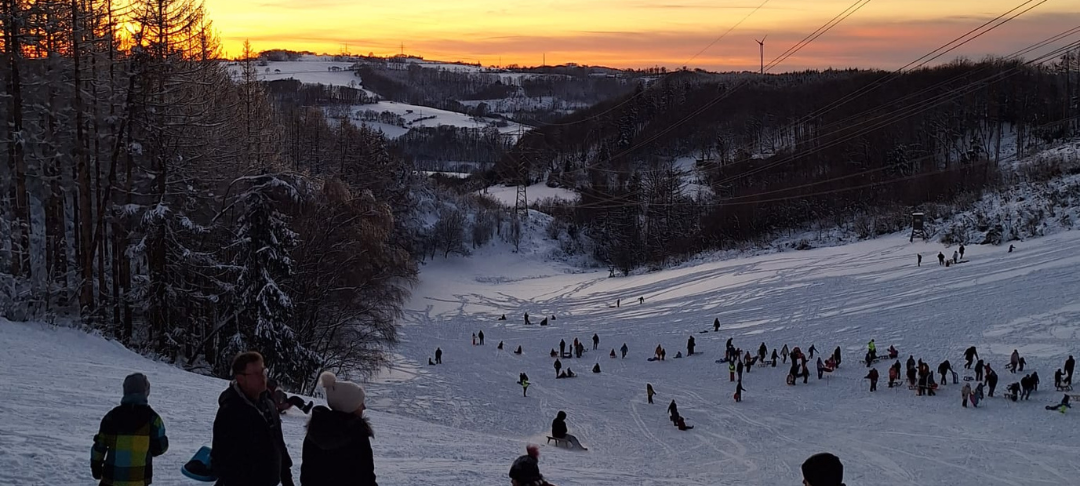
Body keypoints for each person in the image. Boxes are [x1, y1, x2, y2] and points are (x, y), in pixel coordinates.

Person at [211, 352, 294, 486]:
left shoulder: (268, 403)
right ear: (240, 378)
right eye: (256, 374)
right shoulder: (230, 412)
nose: (263, 377)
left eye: (263, 371)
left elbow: (279, 444)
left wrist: (287, 479)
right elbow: (221, 461)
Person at [91, 373, 169, 486]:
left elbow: (99, 446)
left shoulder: (112, 416)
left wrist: (96, 466)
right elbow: (160, 448)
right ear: (146, 392)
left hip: (110, 480)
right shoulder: (152, 418)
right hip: (139, 480)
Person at [300, 372, 376, 486]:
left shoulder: (316, 430)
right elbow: (366, 478)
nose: (364, 407)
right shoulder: (357, 436)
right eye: (360, 403)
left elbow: (307, 476)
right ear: (350, 406)